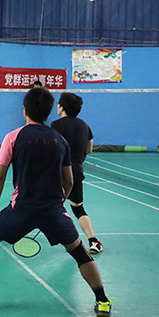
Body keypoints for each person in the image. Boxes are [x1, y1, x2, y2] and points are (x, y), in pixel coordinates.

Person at [0, 87, 111, 317]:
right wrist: (59, 203)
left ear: (25, 110)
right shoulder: (60, 140)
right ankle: (102, 301)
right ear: (48, 112)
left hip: (21, 210)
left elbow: (0, 176)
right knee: (79, 252)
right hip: (53, 210)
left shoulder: (13, 137)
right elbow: (69, 181)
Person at [51, 92, 103, 254]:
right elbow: (89, 149)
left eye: (58, 104)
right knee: (78, 208)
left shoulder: (56, 125)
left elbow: (53, 149)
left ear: (62, 107)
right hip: (77, 171)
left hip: (58, 172)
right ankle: (94, 241)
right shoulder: (84, 126)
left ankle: (10, 233)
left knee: (38, 203)